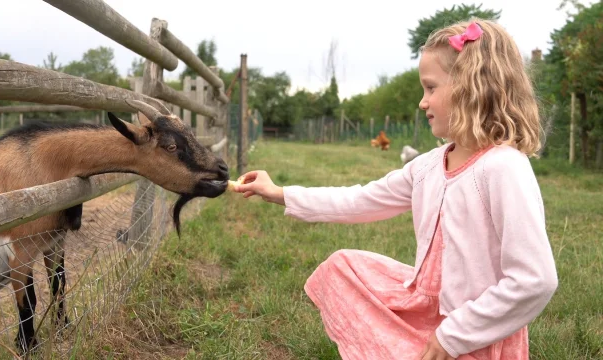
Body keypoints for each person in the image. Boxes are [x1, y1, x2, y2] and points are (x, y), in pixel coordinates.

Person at [233, 18, 558, 360]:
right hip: (427, 310)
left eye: (431, 88)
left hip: (476, 330)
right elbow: (359, 199)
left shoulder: (503, 167)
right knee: (344, 267)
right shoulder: (428, 167)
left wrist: (454, 335)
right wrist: (281, 192)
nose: (422, 102)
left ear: (470, 88)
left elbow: (535, 280)